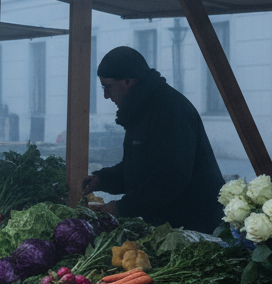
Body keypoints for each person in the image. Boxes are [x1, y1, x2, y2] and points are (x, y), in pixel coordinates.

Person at [82, 46, 224, 234]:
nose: (106, 96)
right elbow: (137, 168)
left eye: (108, 87)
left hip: (195, 226)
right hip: (170, 225)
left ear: (128, 81)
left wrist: (121, 207)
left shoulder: (168, 109)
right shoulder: (140, 109)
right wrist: (101, 179)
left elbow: (170, 177)